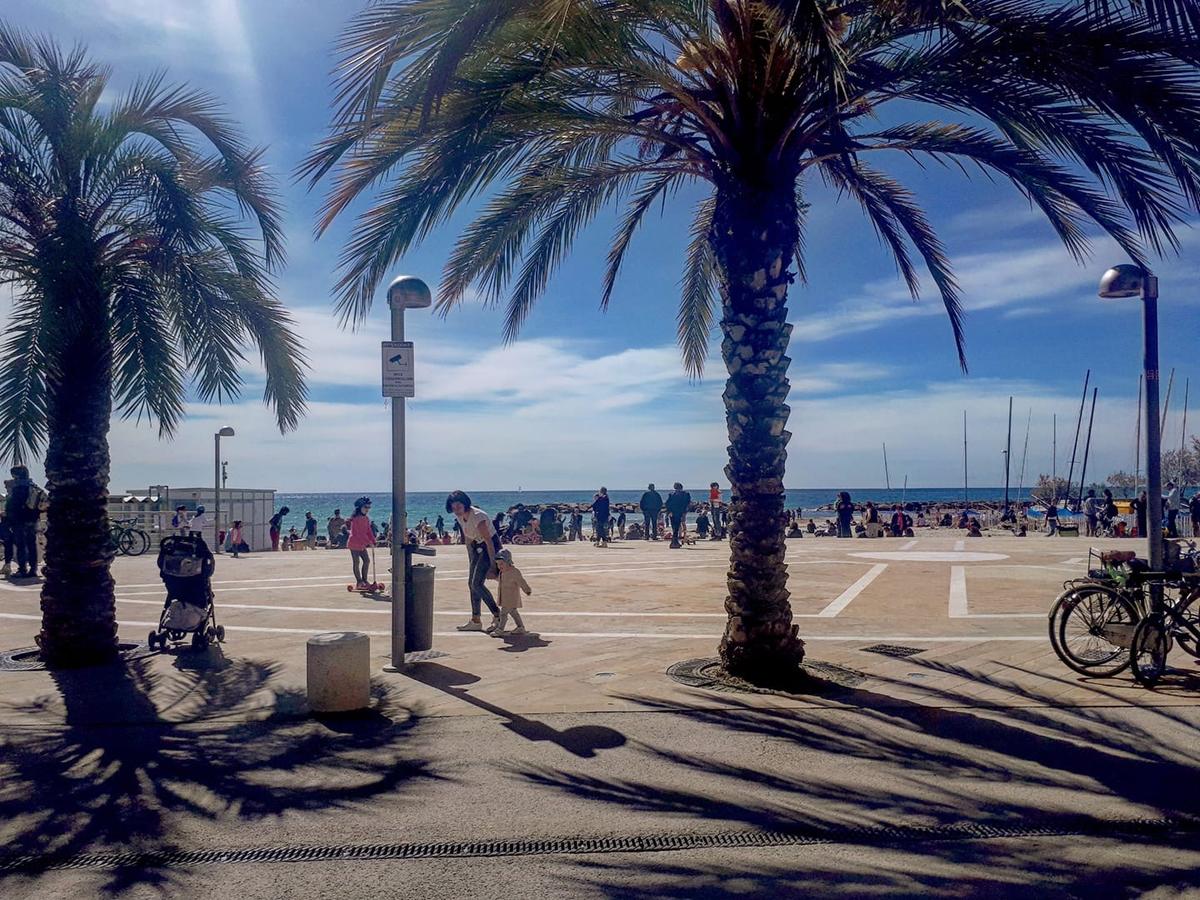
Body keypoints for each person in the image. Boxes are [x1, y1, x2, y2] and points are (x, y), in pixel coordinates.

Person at [446, 490, 502, 632]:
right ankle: (475, 620)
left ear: (465, 504)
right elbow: (468, 538)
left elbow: (489, 542)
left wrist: (493, 565)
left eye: (458, 506)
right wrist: (471, 559)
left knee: (477, 584)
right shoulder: (460, 517)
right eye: (453, 507)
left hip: (489, 546)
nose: (456, 510)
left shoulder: (478, 516)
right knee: (471, 583)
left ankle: (497, 615)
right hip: (475, 546)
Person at [5, 466, 43, 580]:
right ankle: (33, 569)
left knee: (21, 545)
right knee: (31, 545)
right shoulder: (32, 486)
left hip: (20, 521)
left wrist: (10, 520)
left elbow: (13, 506)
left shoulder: (18, 488)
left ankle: (22, 569)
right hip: (32, 520)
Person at [490, 549, 532, 637]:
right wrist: (494, 578)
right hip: (505, 597)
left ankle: (500, 629)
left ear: (508, 562)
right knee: (513, 612)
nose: (499, 566)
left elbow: (521, 582)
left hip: (511, 597)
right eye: (497, 564)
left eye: (501, 563)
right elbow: (501, 581)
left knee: (503, 614)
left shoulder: (514, 572)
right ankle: (520, 627)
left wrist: (527, 590)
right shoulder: (502, 572)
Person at [346, 497, 376, 588]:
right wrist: (368, 542)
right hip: (354, 543)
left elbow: (368, 530)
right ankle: (359, 582)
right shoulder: (356, 519)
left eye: (369, 507)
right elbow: (358, 534)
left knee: (367, 561)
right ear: (360, 507)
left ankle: (364, 580)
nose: (367, 509)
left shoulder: (366, 518)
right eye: (366, 507)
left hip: (362, 544)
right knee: (356, 562)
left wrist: (373, 540)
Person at [665, 483, 691, 548]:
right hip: (679, 512)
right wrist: (684, 512)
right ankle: (674, 542)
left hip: (673, 512)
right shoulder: (685, 494)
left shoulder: (671, 494)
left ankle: (674, 542)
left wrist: (669, 511)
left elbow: (667, 504)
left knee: (674, 527)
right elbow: (687, 504)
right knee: (676, 527)